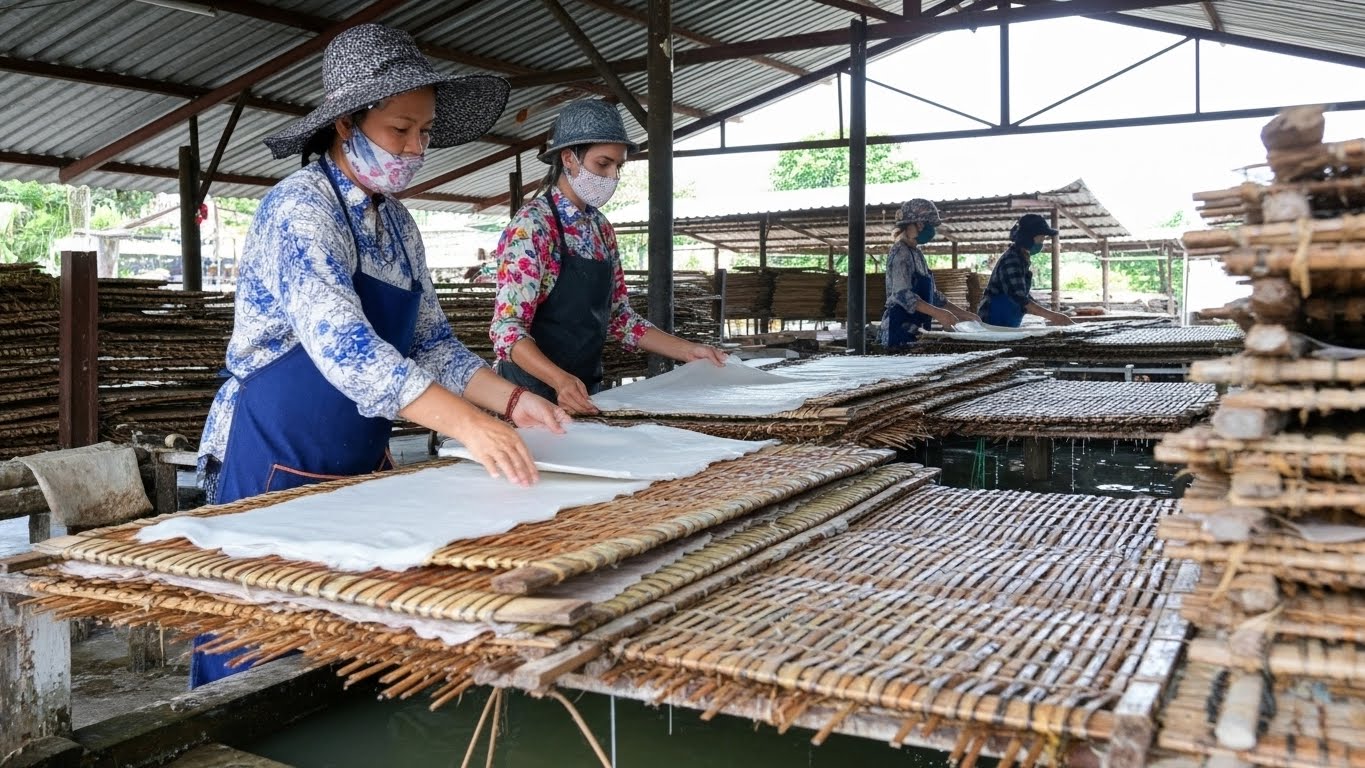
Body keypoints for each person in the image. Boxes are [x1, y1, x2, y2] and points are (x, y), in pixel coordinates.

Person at [193, 24, 569, 687]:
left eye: (424, 132)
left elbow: (431, 342)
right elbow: (346, 347)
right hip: (270, 456)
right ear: (346, 122)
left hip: (353, 457)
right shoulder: (299, 211)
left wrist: (511, 401)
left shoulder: (396, 224)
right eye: (401, 129)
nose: (416, 147)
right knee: (257, 644)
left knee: (340, 644)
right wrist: (467, 426)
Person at [489, 99, 726, 415]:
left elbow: (619, 318)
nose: (612, 176)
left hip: (583, 392)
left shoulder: (601, 230)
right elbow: (507, 329)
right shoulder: (532, 227)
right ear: (568, 159)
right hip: (527, 398)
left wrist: (688, 350)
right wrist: (559, 380)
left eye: (619, 166)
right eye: (603, 164)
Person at [879, 198, 979, 350]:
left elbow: (934, 296)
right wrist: (938, 314)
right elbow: (902, 294)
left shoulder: (916, 253)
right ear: (913, 224)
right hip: (899, 330)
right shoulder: (901, 252)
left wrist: (963, 314)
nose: (928, 229)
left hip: (918, 328)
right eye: (925, 224)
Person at [978, 213, 1075, 327]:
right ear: (1028, 238)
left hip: (1007, 319)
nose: (1042, 241)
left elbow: (1024, 294)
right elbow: (1019, 298)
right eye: (1041, 237)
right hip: (995, 318)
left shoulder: (1021, 259)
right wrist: (1053, 316)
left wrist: (1047, 311)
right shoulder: (1012, 260)